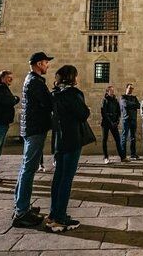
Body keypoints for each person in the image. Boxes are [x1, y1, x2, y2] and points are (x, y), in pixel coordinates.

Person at [12, 51, 54, 228]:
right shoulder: (35, 82)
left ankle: (21, 206)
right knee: (29, 169)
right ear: (38, 64)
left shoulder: (31, 80)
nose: (47, 65)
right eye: (45, 63)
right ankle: (21, 213)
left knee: (26, 168)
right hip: (35, 128)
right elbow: (48, 102)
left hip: (31, 128)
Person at [47, 65, 90, 233]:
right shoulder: (73, 93)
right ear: (72, 77)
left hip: (59, 140)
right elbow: (83, 114)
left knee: (58, 177)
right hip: (72, 139)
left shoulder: (55, 94)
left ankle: (53, 214)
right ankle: (60, 219)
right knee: (66, 178)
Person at [100, 85, 125, 164]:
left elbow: (118, 111)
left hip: (114, 123)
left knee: (118, 140)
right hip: (106, 123)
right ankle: (106, 157)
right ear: (107, 92)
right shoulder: (105, 100)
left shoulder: (115, 100)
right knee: (104, 140)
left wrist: (117, 121)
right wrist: (110, 122)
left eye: (113, 90)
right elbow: (104, 113)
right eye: (111, 90)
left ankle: (122, 157)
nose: (112, 91)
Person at [120, 83, 140, 160]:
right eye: (129, 88)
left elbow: (138, 106)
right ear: (126, 88)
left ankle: (133, 154)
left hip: (133, 119)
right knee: (124, 137)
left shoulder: (134, 97)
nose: (131, 89)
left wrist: (131, 104)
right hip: (126, 119)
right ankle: (123, 155)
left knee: (133, 137)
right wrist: (133, 104)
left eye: (132, 88)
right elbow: (125, 104)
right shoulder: (123, 97)